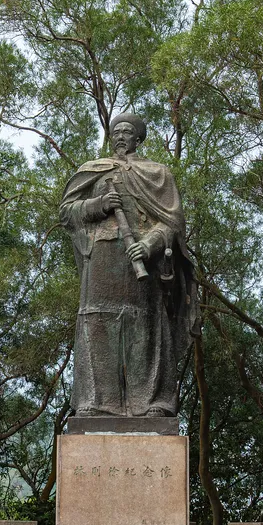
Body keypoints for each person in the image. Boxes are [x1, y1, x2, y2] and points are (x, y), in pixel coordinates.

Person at [58, 113, 199, 417]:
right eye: (116, 132)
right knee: (97, 323)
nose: (121, 136)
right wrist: (98, 206)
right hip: (102, 257)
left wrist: (151, 244)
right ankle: (96, 402)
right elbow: (67, 213)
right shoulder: (93, 171)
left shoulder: (158, 173)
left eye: (127, 132)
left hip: (142, 262)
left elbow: (173, 222)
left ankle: (152, 403)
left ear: (138, 138)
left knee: (146, 325)